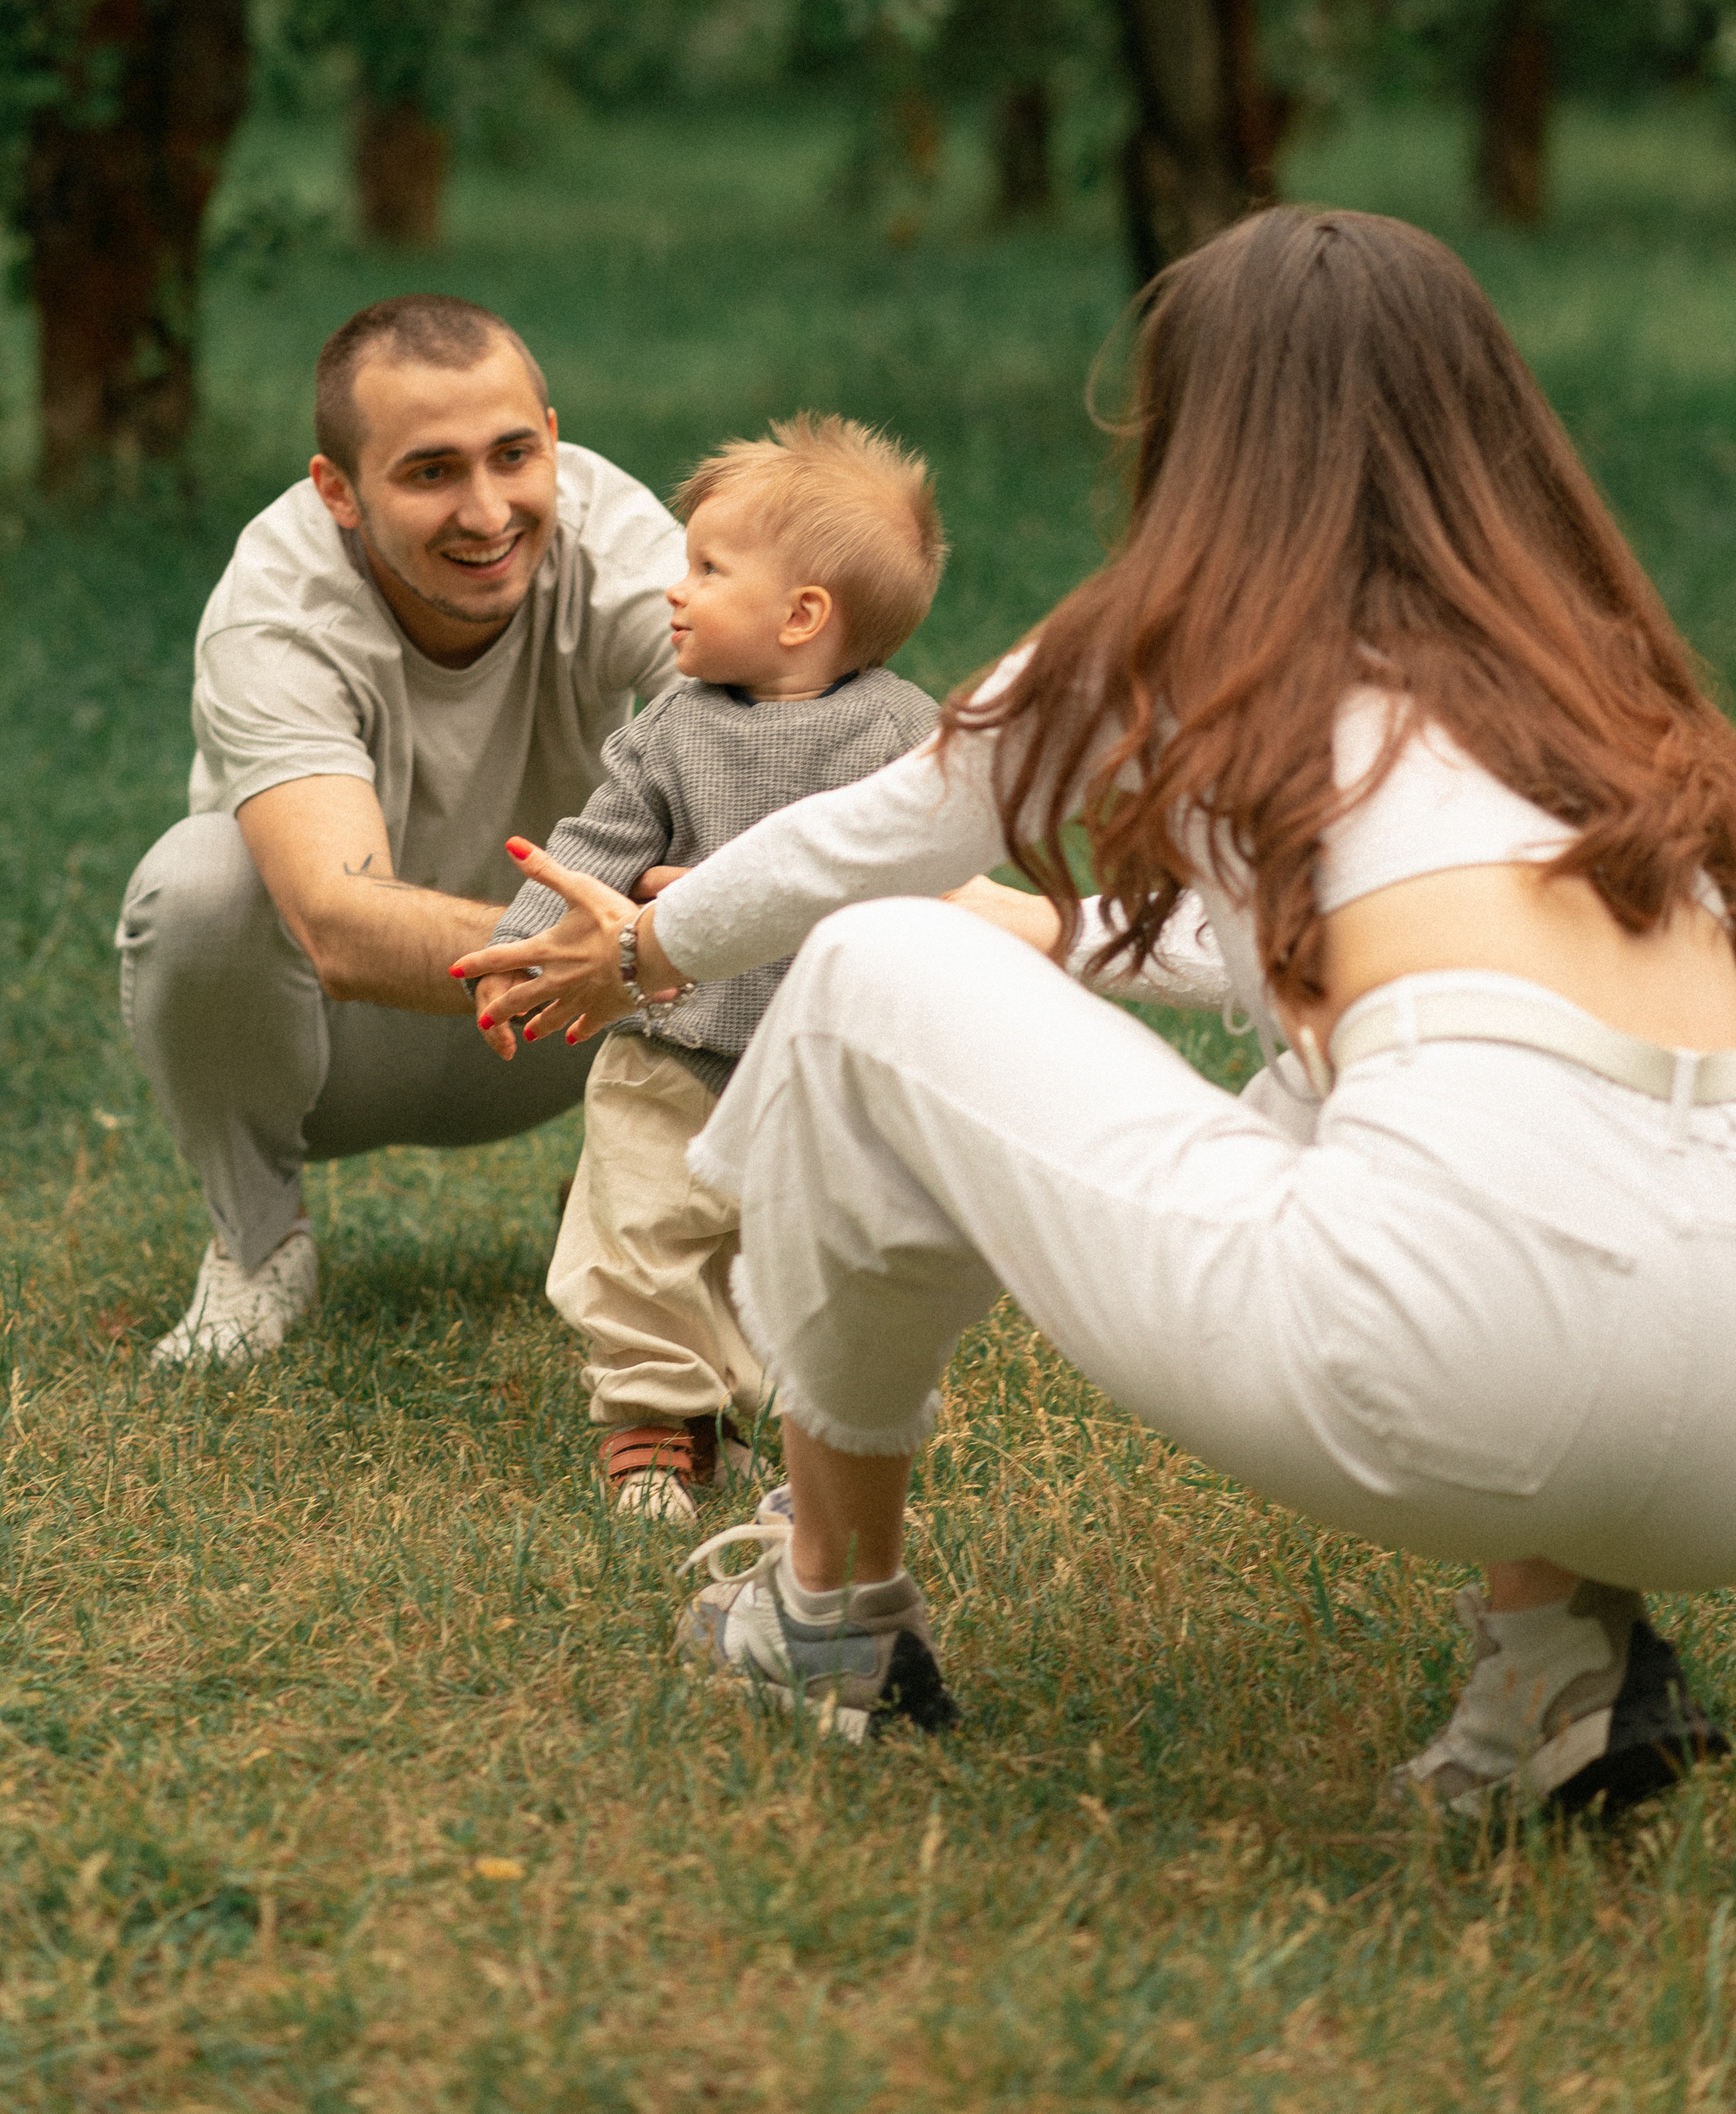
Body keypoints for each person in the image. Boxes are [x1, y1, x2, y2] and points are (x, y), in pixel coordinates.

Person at [463, 208, 1736, 1809]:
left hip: (1451, 1376)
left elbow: (857, 846)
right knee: (1421, 1099)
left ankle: (829, 1616)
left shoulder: (1176, 638)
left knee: (866, 966)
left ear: (1203, 434)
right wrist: (1035, 928)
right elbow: (1270, 956)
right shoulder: (1602, 685)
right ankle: (1562, 1669)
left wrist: (646, 951)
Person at [117, 292, 684, 1365]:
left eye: (513, 455)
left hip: (587, 1030)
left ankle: (650, 1187)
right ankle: (258, 1243)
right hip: (331, 1044)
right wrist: (627, 950)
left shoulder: (614, 535)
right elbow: (340, 924)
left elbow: (790, 750)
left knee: (752, 804)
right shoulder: (277, 606)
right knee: (197, 884)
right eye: (431, 473)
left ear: (552, 438)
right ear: (337, 490)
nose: (488, 512)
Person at [478, 416, 944, 1519]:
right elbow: (598, 843)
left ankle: (731, 1414)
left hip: (816, 1063)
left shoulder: (903, 740)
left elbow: (934, 883)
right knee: (640, 1228)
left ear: (802, 615)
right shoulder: (673, 728)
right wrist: (524, 949)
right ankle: (649, 1420)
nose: (674, 591)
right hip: (669, 1042)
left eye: (707, 570)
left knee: (776, 1252)